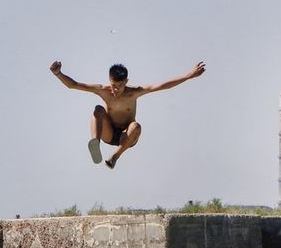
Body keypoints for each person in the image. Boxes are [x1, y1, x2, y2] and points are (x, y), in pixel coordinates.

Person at [49, 60, 206, 169]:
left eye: (120, 85)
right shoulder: (103, 90)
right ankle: (95, 143)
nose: (116, 89)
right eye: (113, 85)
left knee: (136, 126)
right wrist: (58, 74)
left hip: (127, 136)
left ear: (126, 81)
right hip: (109, 134)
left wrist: (189, 75)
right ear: (109, 80)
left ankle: (114, 157)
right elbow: (74, 85)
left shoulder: (134, 93)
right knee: (98, 109)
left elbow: (163, 86)